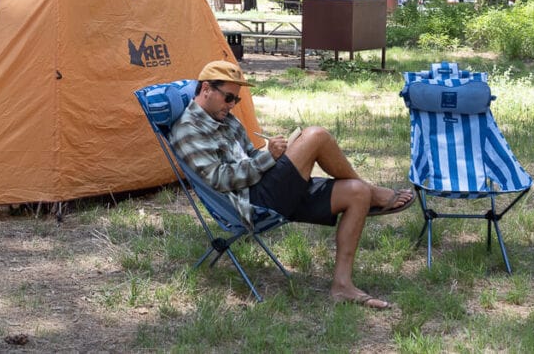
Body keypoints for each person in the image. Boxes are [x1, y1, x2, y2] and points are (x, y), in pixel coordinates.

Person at [169, 60, 414, 309]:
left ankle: (342, 286)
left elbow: (248, 157)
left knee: (356, 192)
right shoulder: (188, 129)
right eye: (229, 97)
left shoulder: (226, 119)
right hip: (252, 202)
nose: (232, 105)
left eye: (236, 100)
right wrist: (268, 159)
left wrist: (269, 152)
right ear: (207, 88)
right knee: (316, 136)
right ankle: (376, 193)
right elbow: (220, 179)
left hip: (265, 186)